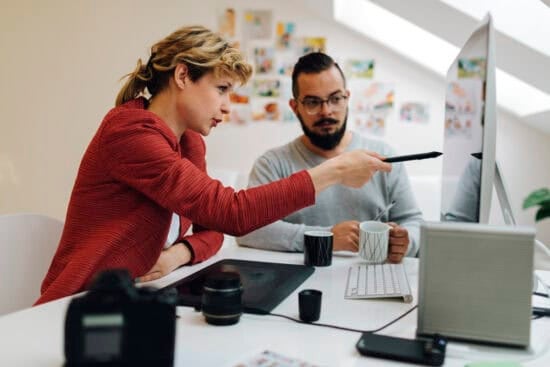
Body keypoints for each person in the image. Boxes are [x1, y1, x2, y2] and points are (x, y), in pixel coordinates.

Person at [36, 27, 391, 305]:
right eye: (221, 89)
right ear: (182, 76)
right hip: (81, 303)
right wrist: (336, 171)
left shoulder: (189, 142)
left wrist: (180, 253)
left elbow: (214, 231)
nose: (226, 107)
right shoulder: (130, 133)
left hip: (144, 295)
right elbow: (232, 214)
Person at [237, 52, 423, 262]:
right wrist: (327, 237)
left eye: (335, 99)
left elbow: (412, 220)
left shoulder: (384, 156)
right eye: (313, 102)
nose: (326, 111)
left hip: (373, 278)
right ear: (294, 107)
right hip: (300, 281)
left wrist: (407, 242)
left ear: (347, 98)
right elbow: (248, 230)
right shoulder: (271, 164)